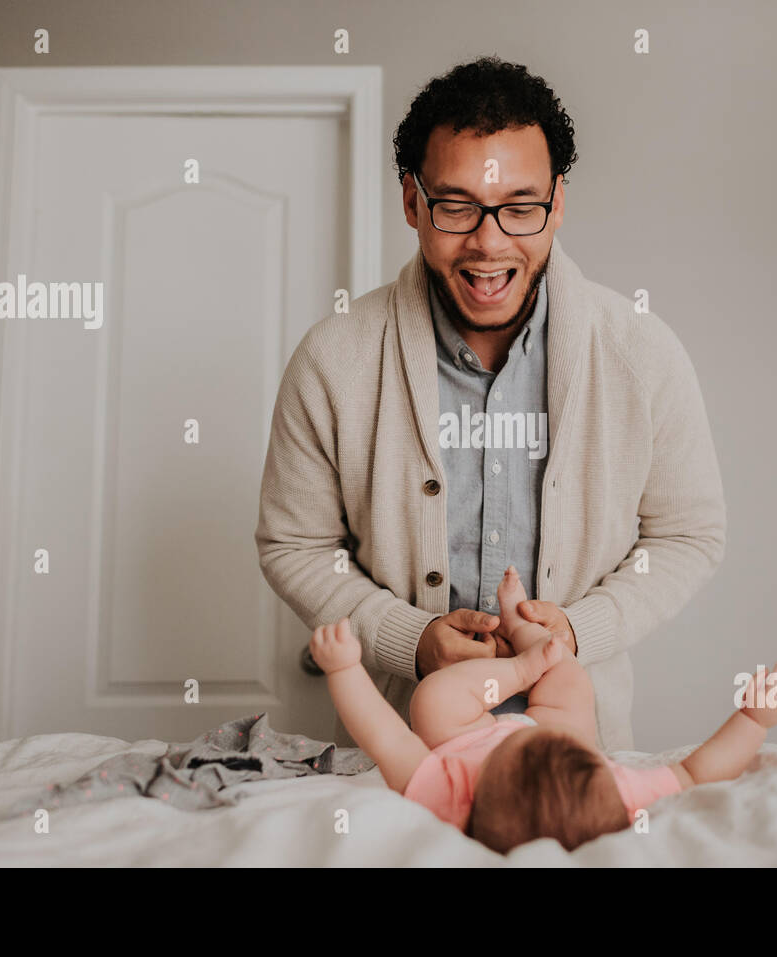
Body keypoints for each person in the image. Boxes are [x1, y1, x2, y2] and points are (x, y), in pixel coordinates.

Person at [255, 55, 726, 751]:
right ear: (412, 202)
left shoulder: (643, 354)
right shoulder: (333, 359)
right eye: (456, 206)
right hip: (393, 760)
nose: (489, 241)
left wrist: (576, 631)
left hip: (581, 758)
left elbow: (689, 536)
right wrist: (410, 641)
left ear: (558, 201)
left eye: (519, 207)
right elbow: (295, 544)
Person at [307, 563, 777, 853]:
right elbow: (698, 771)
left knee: (431, 701)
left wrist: (344, 670)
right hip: (564, 731)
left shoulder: (452, 794)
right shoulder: (614, 796)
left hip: (471, 736)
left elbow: (385, 737)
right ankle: (523, 627)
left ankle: (521, 666)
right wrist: (754, 720)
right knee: (566, 677)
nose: (523, 733)